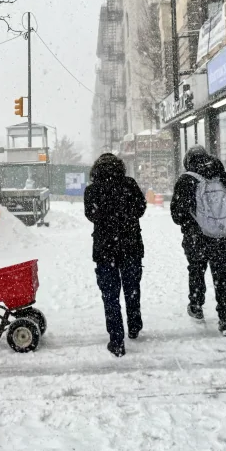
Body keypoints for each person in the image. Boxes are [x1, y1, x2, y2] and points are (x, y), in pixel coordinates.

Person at [170, 145, 226, 336]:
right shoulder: (225, 177)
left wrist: (191, 223)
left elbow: (176, 215)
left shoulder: (186, 181)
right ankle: (225, 319)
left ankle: (196, 305)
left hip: (196, 237)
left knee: (196, 269)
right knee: (222, 276)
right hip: (223, 236)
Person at [84, 153, 147, 357]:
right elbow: (141, 208)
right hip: (131, 246)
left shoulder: (92, 190)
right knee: (132, 289)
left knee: (110, 296)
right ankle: (134, 324)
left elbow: (90, 214)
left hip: (104, 250)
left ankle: (116, 339)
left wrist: (107, 219)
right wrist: (125, 218)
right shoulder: (129, 184)